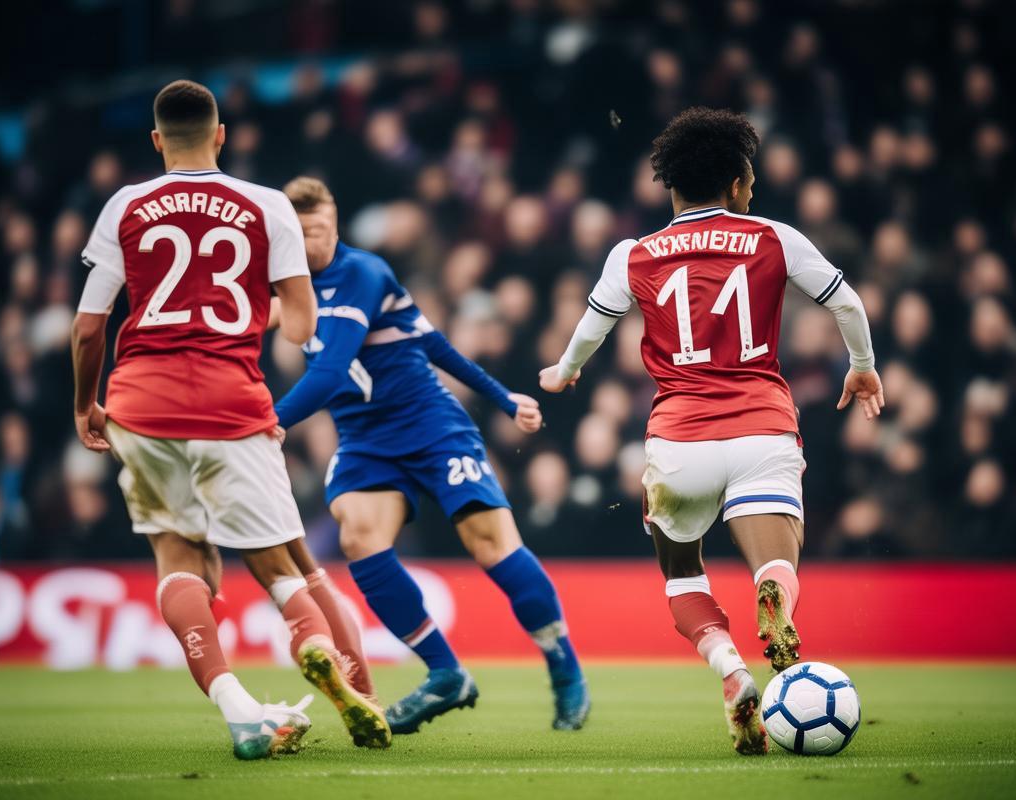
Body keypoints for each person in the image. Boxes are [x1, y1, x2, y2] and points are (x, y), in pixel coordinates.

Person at [539, 107, 883, 755]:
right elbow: (844, 301)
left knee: (681, 576)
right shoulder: (774, 237)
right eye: (749, 179)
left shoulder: (633, 254)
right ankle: (773, 596)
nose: (753, 188)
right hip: (762, 428)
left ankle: (730, 669)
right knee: (777, 559)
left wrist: (564, 371)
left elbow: (591, 330)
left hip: (679, 440)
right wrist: (861, 366)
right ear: (734, 183)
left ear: (671, 186)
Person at [70, 80, 391, 759]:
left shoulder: (125, 205)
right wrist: (247, 313)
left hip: (141, 405)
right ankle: (319, 650)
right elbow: (300, 325)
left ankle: (239, 708)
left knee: (178, 556)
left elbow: (88, 328)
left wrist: (84, 404)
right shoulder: (268, 205)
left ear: (156, 141)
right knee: (282, 566)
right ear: (221, 136)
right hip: (232, 405)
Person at [271, 176, 590, 734]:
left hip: (430, 425)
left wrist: (268, 421)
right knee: (358, 536)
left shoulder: (363, 273)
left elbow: (330, 372)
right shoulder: (286, 284)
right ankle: (445, 672)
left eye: (319, 229)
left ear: (335, 223)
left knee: (489, 542)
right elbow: (431, 338)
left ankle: (564, 666)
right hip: (364, 437)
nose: (311, 242)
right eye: (299, 233)